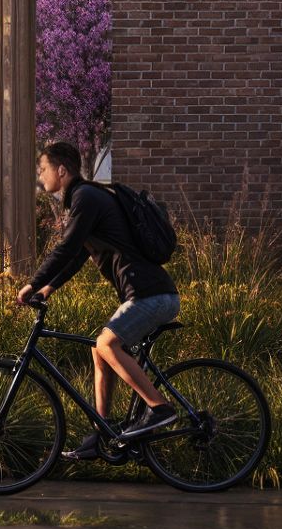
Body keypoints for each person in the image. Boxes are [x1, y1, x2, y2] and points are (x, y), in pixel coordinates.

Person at [19, 142, 180, 428]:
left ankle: (159, 407)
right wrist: (48, 288)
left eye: (43, 169)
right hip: (147, 294)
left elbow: (67, 248)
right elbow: (79, 254)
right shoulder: (89, 196)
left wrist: (33, 284)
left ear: (62, 170)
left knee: (107, 344)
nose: (40, 176)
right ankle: (100, 432)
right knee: (100, 350)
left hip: (151, 295)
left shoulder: (86, 197)